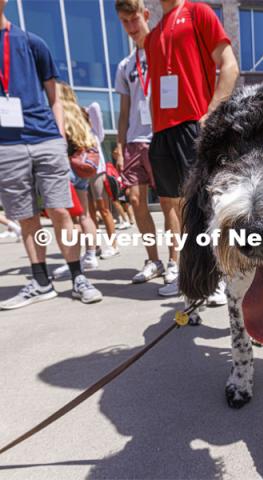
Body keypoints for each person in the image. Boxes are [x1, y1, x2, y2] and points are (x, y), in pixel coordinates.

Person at [0, 1, 101, 309]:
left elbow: (55, 96)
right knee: (26, 215)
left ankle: (77, 277)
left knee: (61, 211)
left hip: (45, 138)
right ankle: (41, 281)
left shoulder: (32, 43)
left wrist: (58, 137)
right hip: (7, 145)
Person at [145, 0, 239, 303]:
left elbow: (229, 64)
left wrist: (212, 111)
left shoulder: (199, 12)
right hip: (161, 130)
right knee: (174, 207)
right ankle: (189, 275)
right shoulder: (153, 34)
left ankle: (220, 275)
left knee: (204, 205)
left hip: (191, 123)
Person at [114, 0, 165, 284]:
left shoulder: (161, 51)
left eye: (134, 19)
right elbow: (123, 112)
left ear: (145, 16)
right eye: (125, 22)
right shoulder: (125, 65)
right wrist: (120, 145)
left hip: (161, 137)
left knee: (173, 203)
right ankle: (153, 259)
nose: (131, 27)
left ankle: (176, 261)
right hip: (135, 139)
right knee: (135, 201)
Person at [51, 83, 102, 283]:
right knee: (85, 215)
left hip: (67, 169)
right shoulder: (81, 114)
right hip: (83, 169)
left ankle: (75, 261)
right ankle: (90, 254)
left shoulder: (58, 114)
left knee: (70, 220)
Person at [85, 102, 120, 260]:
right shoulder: (76, 134)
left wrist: (83, 111)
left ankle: (113, 245)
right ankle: (95, 246)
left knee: (104, 210)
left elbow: (95, 107)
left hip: (98, 173)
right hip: (83, 176)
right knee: (89, 213)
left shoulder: (95, 132)